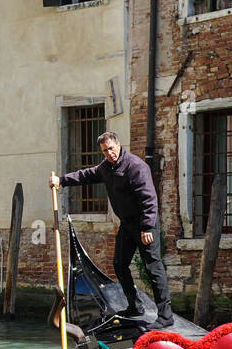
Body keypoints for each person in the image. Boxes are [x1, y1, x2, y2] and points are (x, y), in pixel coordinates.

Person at [50, 132, 174, 325]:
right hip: (127, 224)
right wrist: (62, 180)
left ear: (118, 145)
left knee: (153, 267)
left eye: (111, 149)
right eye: (105, 151)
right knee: (119, 264)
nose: (109, 153)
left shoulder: (136, 167)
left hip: (144, 224)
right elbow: (86, 175)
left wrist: (148, 226)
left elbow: (149, 199)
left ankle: (166, 317)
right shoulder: (106, 167)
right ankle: (135, 306)